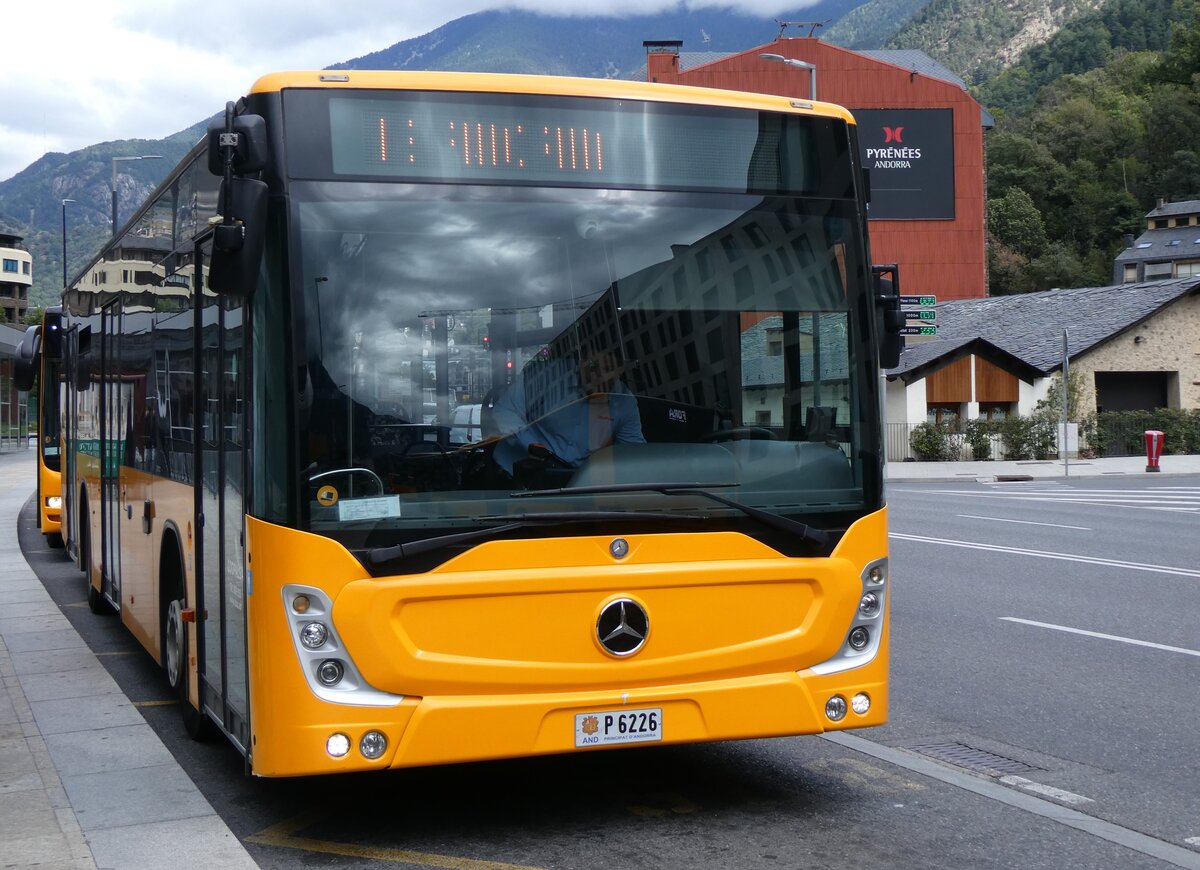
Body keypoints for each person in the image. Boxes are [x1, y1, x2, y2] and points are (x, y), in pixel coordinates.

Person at [491, 347, 644, 476]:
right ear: (582, 360)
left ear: (620, 371)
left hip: (573, 486)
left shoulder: (624, 402)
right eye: (592, 365)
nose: (598, 375)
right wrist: (535, 448)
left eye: (608, 369)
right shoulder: (546, 375)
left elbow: (632, 454)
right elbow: (505, 411)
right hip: (512, 474)